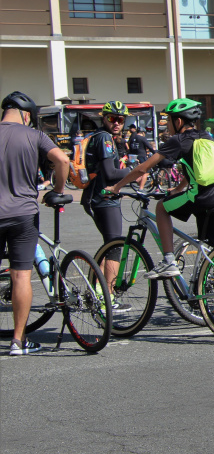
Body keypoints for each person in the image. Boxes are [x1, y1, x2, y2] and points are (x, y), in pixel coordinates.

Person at [105, 98, 214, 325]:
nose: (167, 124)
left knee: (161, 207)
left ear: (178, 121)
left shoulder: (179, 140)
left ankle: (169, 260)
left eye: (168, 120)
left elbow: (143, 168)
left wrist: (116, 187)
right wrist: (177, 188)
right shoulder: (206, 137)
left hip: (202, 197)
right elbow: (198, 166)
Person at [0, 91, 70, 354]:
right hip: (23, 214)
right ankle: (18, 341)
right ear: (27, 115)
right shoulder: (34, 135)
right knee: (21, 275)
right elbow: (62, 159)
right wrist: (58, 190)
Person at [81, 101, 133, 304]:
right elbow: (110, 173)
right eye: (112, 118)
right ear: (104, 118)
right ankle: (107, 297)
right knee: (114, 248)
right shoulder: (104, 138)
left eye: (121, 119)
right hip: (103, 198)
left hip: (98, 198)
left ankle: (97, 292)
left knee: (109, 247)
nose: (117, 123)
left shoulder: (101, 136)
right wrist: (135, 170)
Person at [129, 122, 156, 190]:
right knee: (146, 172)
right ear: (143, 132)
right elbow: (149, 147)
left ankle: (138, 180)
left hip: (133, 156)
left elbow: (130, 147)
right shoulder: (142, 138)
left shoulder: (132, 138)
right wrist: (155, 153)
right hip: (142, 156)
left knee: (139, 171)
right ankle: (141, 188)